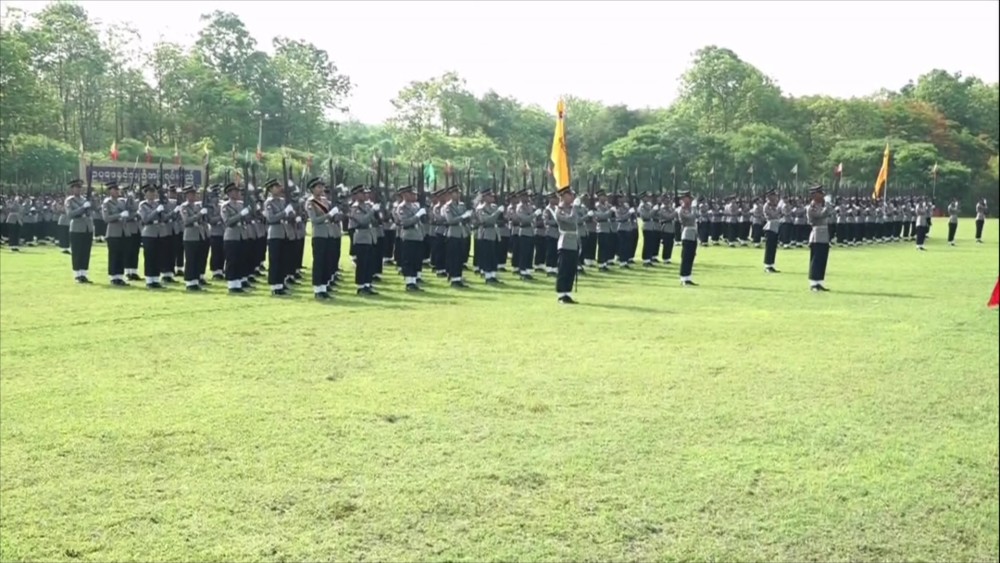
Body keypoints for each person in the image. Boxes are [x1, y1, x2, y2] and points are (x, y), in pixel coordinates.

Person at [305, 177, 337, 300]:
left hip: (328, 233)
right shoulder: (311, 202)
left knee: (327, 261)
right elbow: (314, 220)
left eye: (322, 187)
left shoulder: (325, 201)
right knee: (319, 262)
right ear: (312, 189)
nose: (321, 189)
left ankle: (324, 287)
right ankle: (317, 289)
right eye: (318, 187)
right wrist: (329, 215)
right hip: (318, 234)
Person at [263, 178, 292, 296]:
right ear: (271, 189)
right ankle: (275, 285)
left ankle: (281, 283)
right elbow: (271, 218)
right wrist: (285, 212)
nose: (279, 188)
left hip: (284, 232)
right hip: (274, 233)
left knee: (283, 260)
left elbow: (288, 216)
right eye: (277, 187)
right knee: (275, 260)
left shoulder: (282, 201)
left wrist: (291, 213)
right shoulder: (268, 203)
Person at [349, 185, 378, 295]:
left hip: (369, 236)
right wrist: (372, 211)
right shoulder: (354, 208)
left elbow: (374, 221)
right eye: (362, 193)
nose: (366, 195)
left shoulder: (367, 206)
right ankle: (361, 286)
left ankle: (367, 284)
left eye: (366, 193)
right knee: (362, 263)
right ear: (356, 195)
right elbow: (362, 221)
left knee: (369, 263)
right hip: (361, 237)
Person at [554, 184, 581, 304]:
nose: (572, 197)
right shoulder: (559, 210)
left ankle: (568, 293)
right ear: (563, 196)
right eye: (569, 195)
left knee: (571, 269)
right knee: (563, 269)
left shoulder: (571, 208)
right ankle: (561, 294)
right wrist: (575, 207)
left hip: (573, 242)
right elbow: (571, 220)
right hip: (565, 242)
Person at [178, 185, 208, 291]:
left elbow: (203, 221)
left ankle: (195, 281)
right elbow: (187, 221)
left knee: (198, 259)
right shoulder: (184, 207)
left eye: (194, 194)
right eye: (191, 194)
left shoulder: (198, 206)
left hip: (199, 235)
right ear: (187, 195)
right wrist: (199, 214)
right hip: (190, 236)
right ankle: (189, 282)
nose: (194, 196)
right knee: (190, 260)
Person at [65, 179, 95, 283]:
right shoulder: (70, 200)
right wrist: (83, 208)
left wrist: (91, 203)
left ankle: (84, 273)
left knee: (85, 252)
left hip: (87, 228)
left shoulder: (85, 199)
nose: (78, 189)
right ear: (72, 189)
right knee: (77, 252)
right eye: (76, 188)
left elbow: (92, 211)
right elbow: (70, 214)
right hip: (76, 228)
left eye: (79, 188)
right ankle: (77, 274)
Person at [220, 183, 248, 294]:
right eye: (235, 191)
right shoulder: (225, 206)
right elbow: (228, 222)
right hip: (231, 236)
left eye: (237, 191)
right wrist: (241, 215)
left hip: (241, 235)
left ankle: (238, 283)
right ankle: (232, 284)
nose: (237, 193)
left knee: (240, 260)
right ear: (229, 193)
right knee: (232, 261)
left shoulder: (240, 205)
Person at [100, 181, 129, 286]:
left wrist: (130, 197)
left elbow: (131, 208)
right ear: (110, 191)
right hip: (113, 232)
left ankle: (120, 276)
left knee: (121, 255)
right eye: (115, 190)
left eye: (117, 190)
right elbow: (106, 218)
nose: (117, 191)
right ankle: (113, 277)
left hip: (123, 231)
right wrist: (119, 215)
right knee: (114, 255)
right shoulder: (107, 203)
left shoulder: (121, 202)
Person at [137, 184, 164, 289]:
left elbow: (163, 218)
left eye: (153, 193)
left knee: (158, 256)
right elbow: (145, 219)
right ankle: (149, 280)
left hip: (158, 232)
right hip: (148, 232)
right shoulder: (143, 205)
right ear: (145, 194)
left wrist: (173, 212)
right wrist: (156, 211)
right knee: (149, 257)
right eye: (149, 193)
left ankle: (156, 279)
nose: (152, 195)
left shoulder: (157, 204)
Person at [475, 186, 503, 285]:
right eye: (490, 196)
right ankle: (488, 276)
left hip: (494, 234)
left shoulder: (494, 207)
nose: (492, 197)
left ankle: (493, 275)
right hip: (486, 234)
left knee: (494, 256)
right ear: (485, 197)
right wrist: (498, 212)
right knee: (487, 256)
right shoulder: (480, 208)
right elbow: (487, 220)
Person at [806, 185, 832, 292]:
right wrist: (828, 205)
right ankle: (813, 283)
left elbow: (830, 213)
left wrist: (828, 205)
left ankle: (820, 282)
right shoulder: (811, 207)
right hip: (816, 235)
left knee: (822, 259)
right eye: (820, 193)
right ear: (814, 195)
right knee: (816, 260)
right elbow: (820, 215)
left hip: (824, 234)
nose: (822, 195)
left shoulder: (823, 205)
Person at [676, 191, 698, 286]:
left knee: (691, 256)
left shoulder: (689, 209)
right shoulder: (681, 209)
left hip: (693, 234)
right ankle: (683, 278)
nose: (690, 200)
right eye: (689, 198)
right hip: (687, 233)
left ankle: (688, 277)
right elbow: (691, 218)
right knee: (686, 257)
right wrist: (694, 208)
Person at [762, 188, 782, 273]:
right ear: (769, 196)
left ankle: (771, 264)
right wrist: (778, 210)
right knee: (769, 247)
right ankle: (767, 265)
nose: (775, 197)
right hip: (770, 227)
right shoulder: (767, 206)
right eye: (774, 195)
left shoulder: (775, 205)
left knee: (773, 247)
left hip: (775, 227)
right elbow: (773, 215)